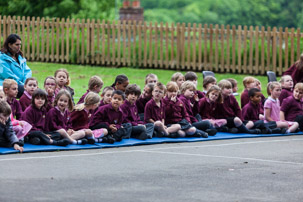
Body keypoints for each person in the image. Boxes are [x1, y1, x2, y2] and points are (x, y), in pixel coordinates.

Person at [0, 34, 32, 98]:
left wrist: (26, 83)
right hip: (8, 84)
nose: (19, 47)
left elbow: (27, 71)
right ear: (9, 45)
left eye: (20, 44)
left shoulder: (20, 58)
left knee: (36, 90)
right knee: (28, 92)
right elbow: (8, 75)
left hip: (21, 84)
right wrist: (23, 85)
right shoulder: (2, 58)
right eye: (16, 45)